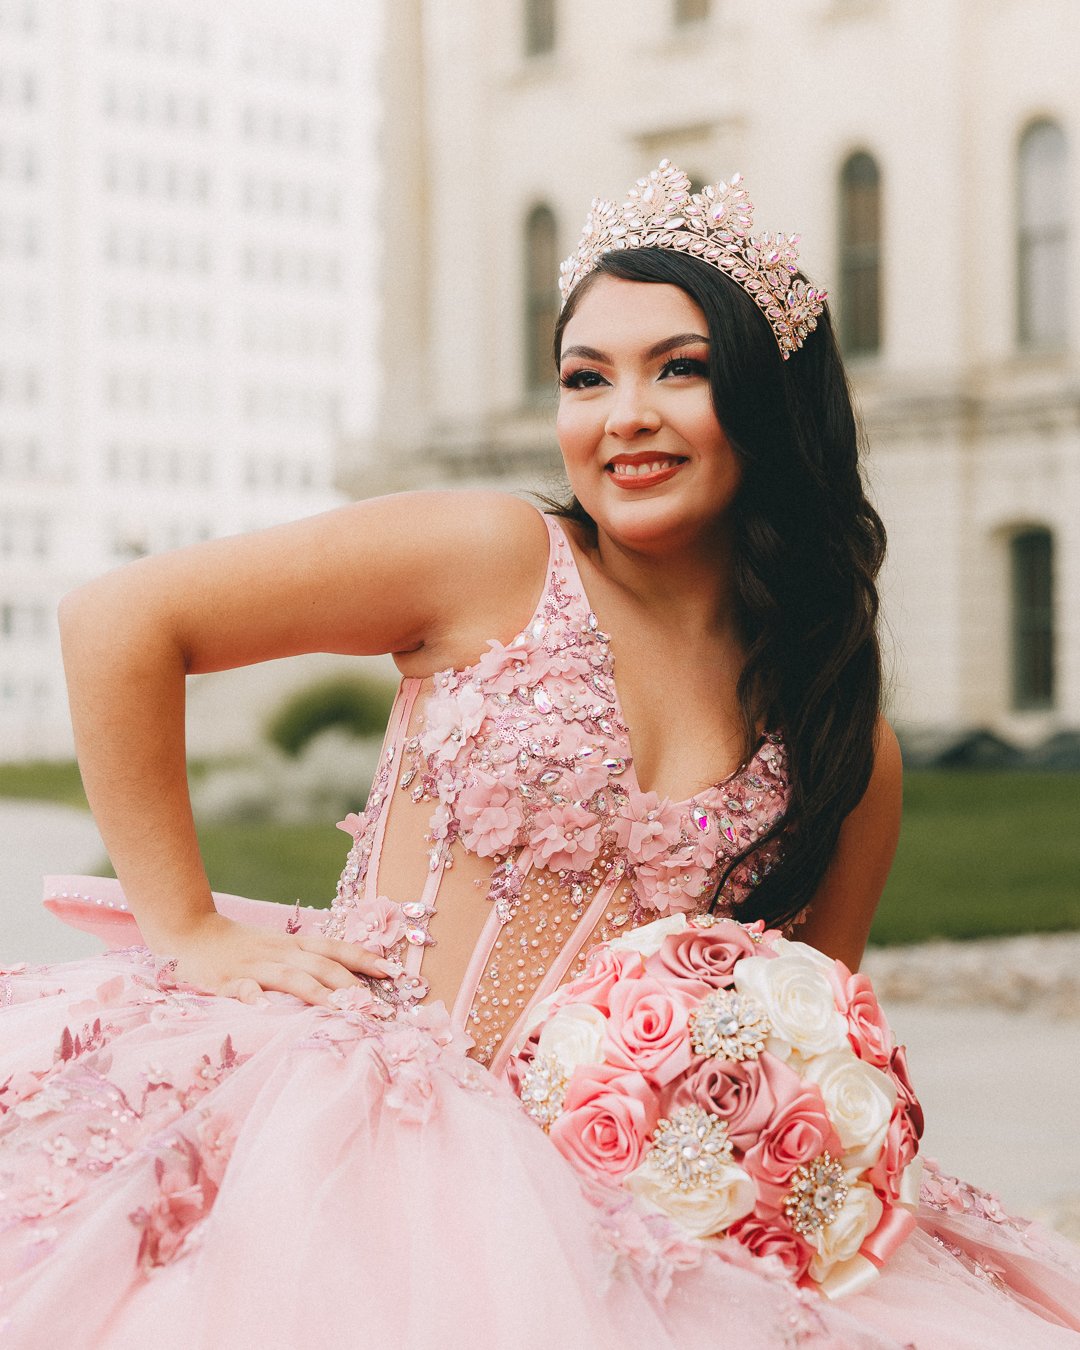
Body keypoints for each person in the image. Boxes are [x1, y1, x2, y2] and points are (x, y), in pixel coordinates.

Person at [1, 161, 1077, 1349]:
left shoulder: (836, 737)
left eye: (681, 368)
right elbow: (117, 623)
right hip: (345, 1124)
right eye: (585, 377)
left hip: (624, 1224)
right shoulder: (492, 555)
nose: (625, 415)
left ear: (771, 405)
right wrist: (189, 927)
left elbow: (802, 1041)